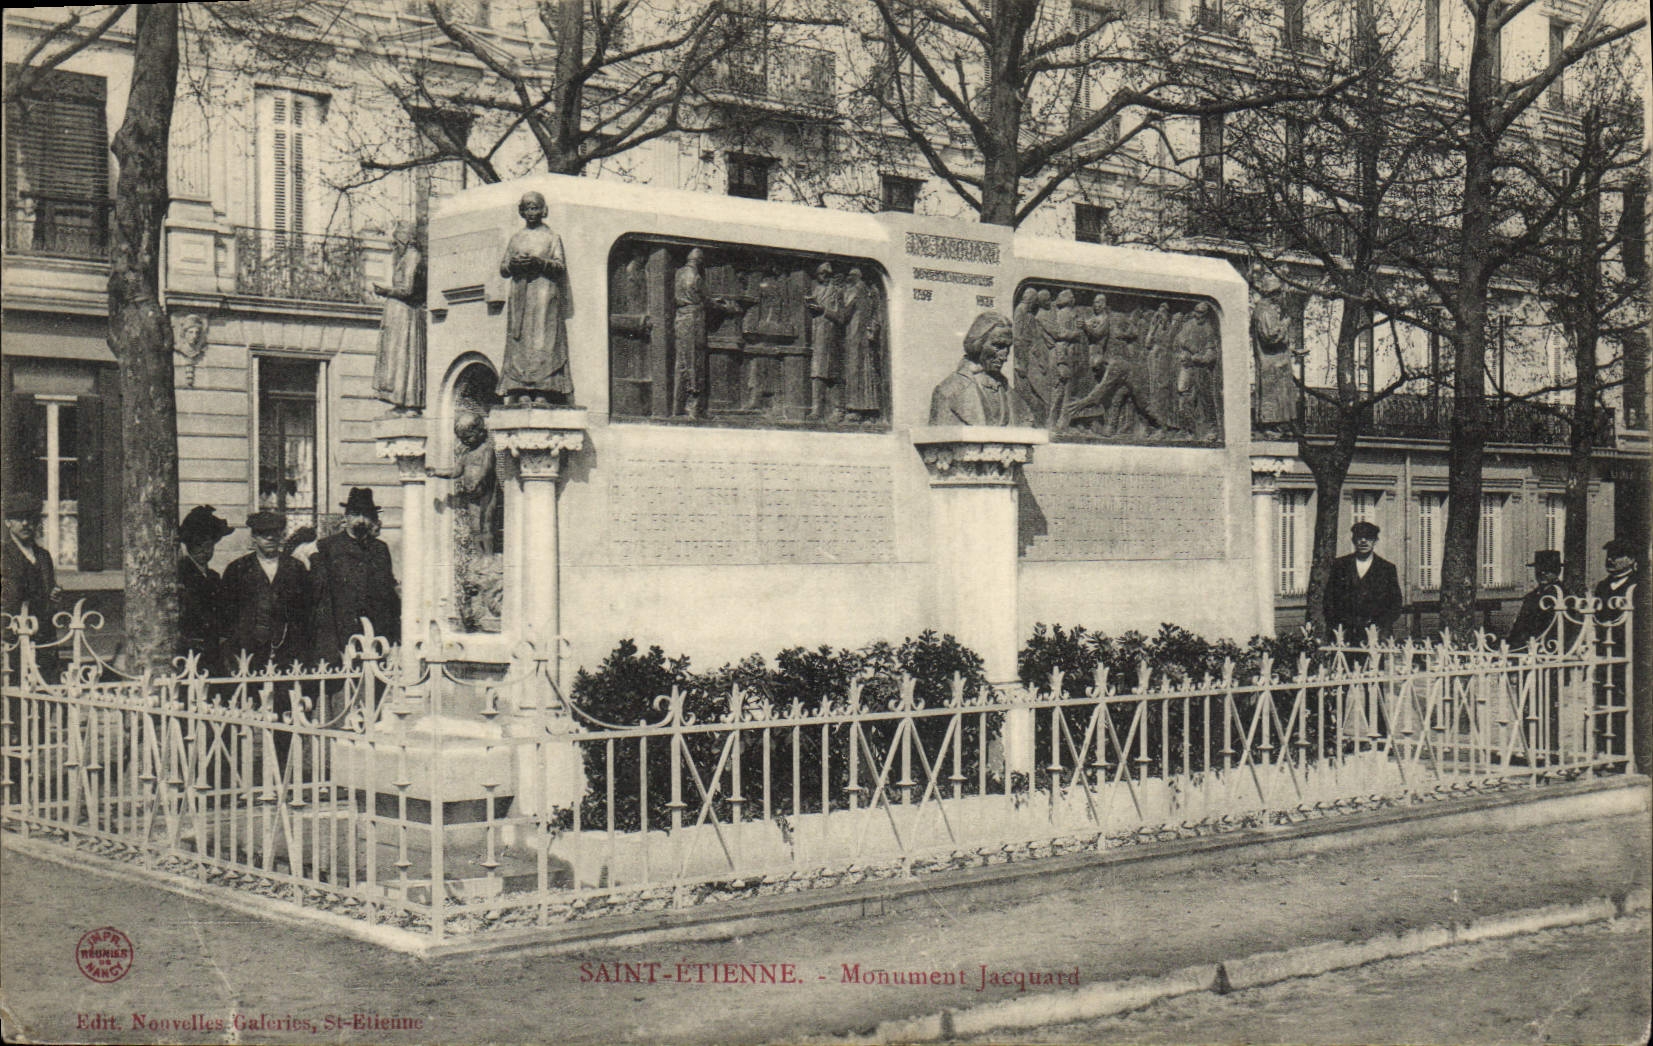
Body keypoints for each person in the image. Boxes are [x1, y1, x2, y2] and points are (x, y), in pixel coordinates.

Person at [309, 488, 401, 668]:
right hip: (341, 629)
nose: (361, 520)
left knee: (374, 685)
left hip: (376, 630)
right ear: (347, 517)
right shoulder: (328, 547)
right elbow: (320, 594)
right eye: (356, 514)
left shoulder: (380, 549)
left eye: (366, 515)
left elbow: (388, 590)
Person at [498, 190, 574, 405]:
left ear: (543, 210)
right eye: (527, 208)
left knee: (544, 341)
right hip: (521, 294)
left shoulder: (552, 238)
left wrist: (540, 262)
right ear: (521, 211)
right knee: (521, 342)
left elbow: (560, 267)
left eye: (535, 208)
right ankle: (521, 387)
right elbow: (503, 268)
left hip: (544, 295)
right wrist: (513, 264)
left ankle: (544, 389)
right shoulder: (516, 238)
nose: (531, 212)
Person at [221, 511, 310, 670]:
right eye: (263, 534)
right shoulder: (238, 569)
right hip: (248, 651)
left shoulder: (296, 568)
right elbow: (227, 613)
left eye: (274, 533)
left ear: (281, 535)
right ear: (254, 537)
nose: (270, 538)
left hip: (287, 650)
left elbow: (305, 611)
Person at [1593, 537, 1646, 773]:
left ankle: (1633, 755)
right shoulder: (1602, 587)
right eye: (1609, 555)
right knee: (1606, 701)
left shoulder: (1640, 585)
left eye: (1618, 555)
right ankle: (1608, 753)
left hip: (1632, 653)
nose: (1611, 560)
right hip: (1606, 653)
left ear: (1632, 559)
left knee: (1631, 703)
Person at [371, 220, 428, 416]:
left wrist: (387, 291)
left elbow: (408, 289)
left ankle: (408, 401)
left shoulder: (412, 257)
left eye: (397, 241)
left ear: (406, 239)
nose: (394, 245)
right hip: (398, 314)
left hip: (406, 315)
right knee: (397, 357)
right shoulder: (404, 258)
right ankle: (400, 401)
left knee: (405, 355)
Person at [928, 311, 1025, 426]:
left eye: (1007, 348)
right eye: (998, 346)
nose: (1004, 357)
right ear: (978, 344)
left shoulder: (1011, 395)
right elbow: (940, 440)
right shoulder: (948, 392)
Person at [2, 493, 60, 682]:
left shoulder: (43, 556)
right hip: (13, 637)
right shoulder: (4, 555)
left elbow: (50, 595)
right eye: (19, 518)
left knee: (45, 694)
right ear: (8, 522)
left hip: (43, 637)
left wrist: (54, 595)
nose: (26, 523)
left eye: (31, 518)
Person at [1324, 521, 1403, 643]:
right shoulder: (1340, 565)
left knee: (1373, 662)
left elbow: (1395, 603)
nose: (1363, 541)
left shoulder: (1387, 568)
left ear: (1375, 541)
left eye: (1369, 538)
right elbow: (1329, 599)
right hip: (1344, 634)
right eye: (1359, 537)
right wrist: (1338, 624)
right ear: (1353, 540)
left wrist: (1380, 624)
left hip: (1375, 634)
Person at [177, 505, 234, 675]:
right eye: (198, 545)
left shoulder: (214, 576)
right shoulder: (182, 573)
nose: (204, 551)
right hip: (190, 648)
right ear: (189, 546)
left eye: (209, 545)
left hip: (213, 646)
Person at [1505, 550, 1565, 652]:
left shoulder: (1564, 594)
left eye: (1548, 570)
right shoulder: (1531, 596)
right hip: (1526, 648)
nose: (1542, 573)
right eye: (1539, 569)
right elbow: (1519, 627)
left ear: (1557, 571)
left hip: (1550, 648)